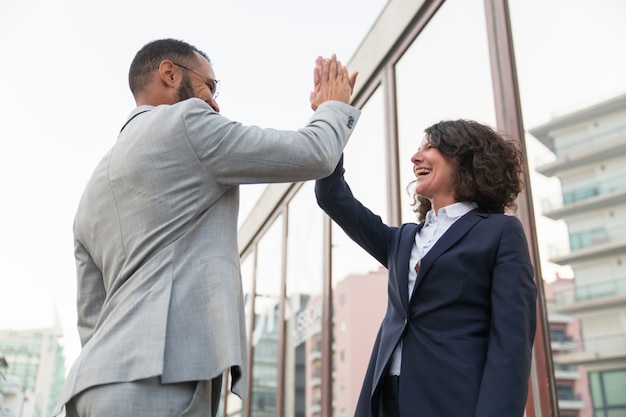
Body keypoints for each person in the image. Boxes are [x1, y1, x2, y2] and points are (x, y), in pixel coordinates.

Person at [53, 38, 359, 417]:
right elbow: (315, 153)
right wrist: (334, 106)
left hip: (90, 384)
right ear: (170, 73)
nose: (214, 101)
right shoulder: (187, 123)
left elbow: (90, 318)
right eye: (209, 86)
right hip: (158, 381)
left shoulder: (91, 190)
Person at [315, 119, 537, 417]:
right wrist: (334, 117)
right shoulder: (401, 240)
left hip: (454, 401)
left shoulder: (500, 232)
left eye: (430, 147)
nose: (415, 157)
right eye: (418, 148)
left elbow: (512, 342)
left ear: (465, 159)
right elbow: (332, 196)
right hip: (385, 400)